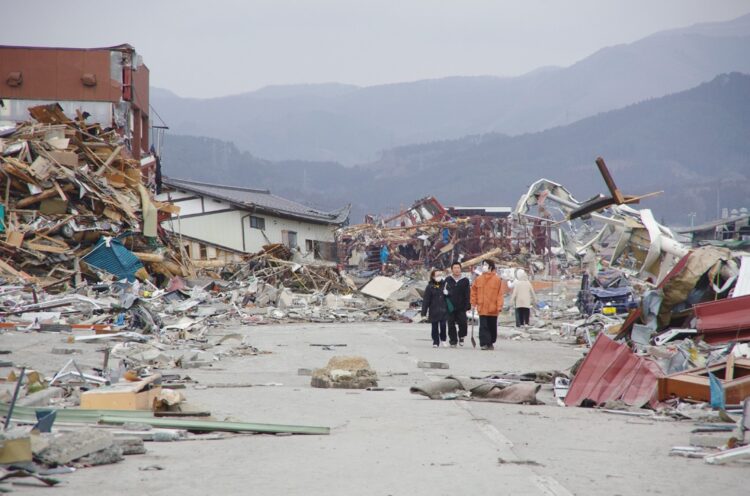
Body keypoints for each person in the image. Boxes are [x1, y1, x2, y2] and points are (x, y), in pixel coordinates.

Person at [470, 259, 506, 350]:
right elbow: (473, 292)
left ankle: (491, 342)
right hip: (482, 308)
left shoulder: (497, 279)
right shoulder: (478, 279)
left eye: (485, 265)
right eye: (483, 265)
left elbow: (500, 294)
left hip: (493, 308)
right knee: (483, 327)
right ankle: (484, 343)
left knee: (492, 327)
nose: (483, 266)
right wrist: (473, 303)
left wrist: (499, 306)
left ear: (491, 266)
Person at [445, 262, 471, 347]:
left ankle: (461, 336)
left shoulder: (465, 280)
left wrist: (468, 304)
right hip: (450, 305)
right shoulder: (448, 279)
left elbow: (467, 293)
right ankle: (453, 341)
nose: (456, 269)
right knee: (451, 324)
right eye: (455, 268)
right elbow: (443, 291)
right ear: (452, 270)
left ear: (460, 269)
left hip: (461, 305)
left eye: (458, 268)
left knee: (463, 323)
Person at [421, 269, 448, 348]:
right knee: (434, 326)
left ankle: (443, 339)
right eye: (437, 275)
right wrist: (423, 313)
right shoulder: (430, 287)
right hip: (434, 309)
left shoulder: (445, 284)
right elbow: (426, 300)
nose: (439, 277)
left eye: (440, 275)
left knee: (443, 325)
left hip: (444, 309)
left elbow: (451, 295)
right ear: (433, 277)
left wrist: (448, 293)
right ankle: (435, 341)